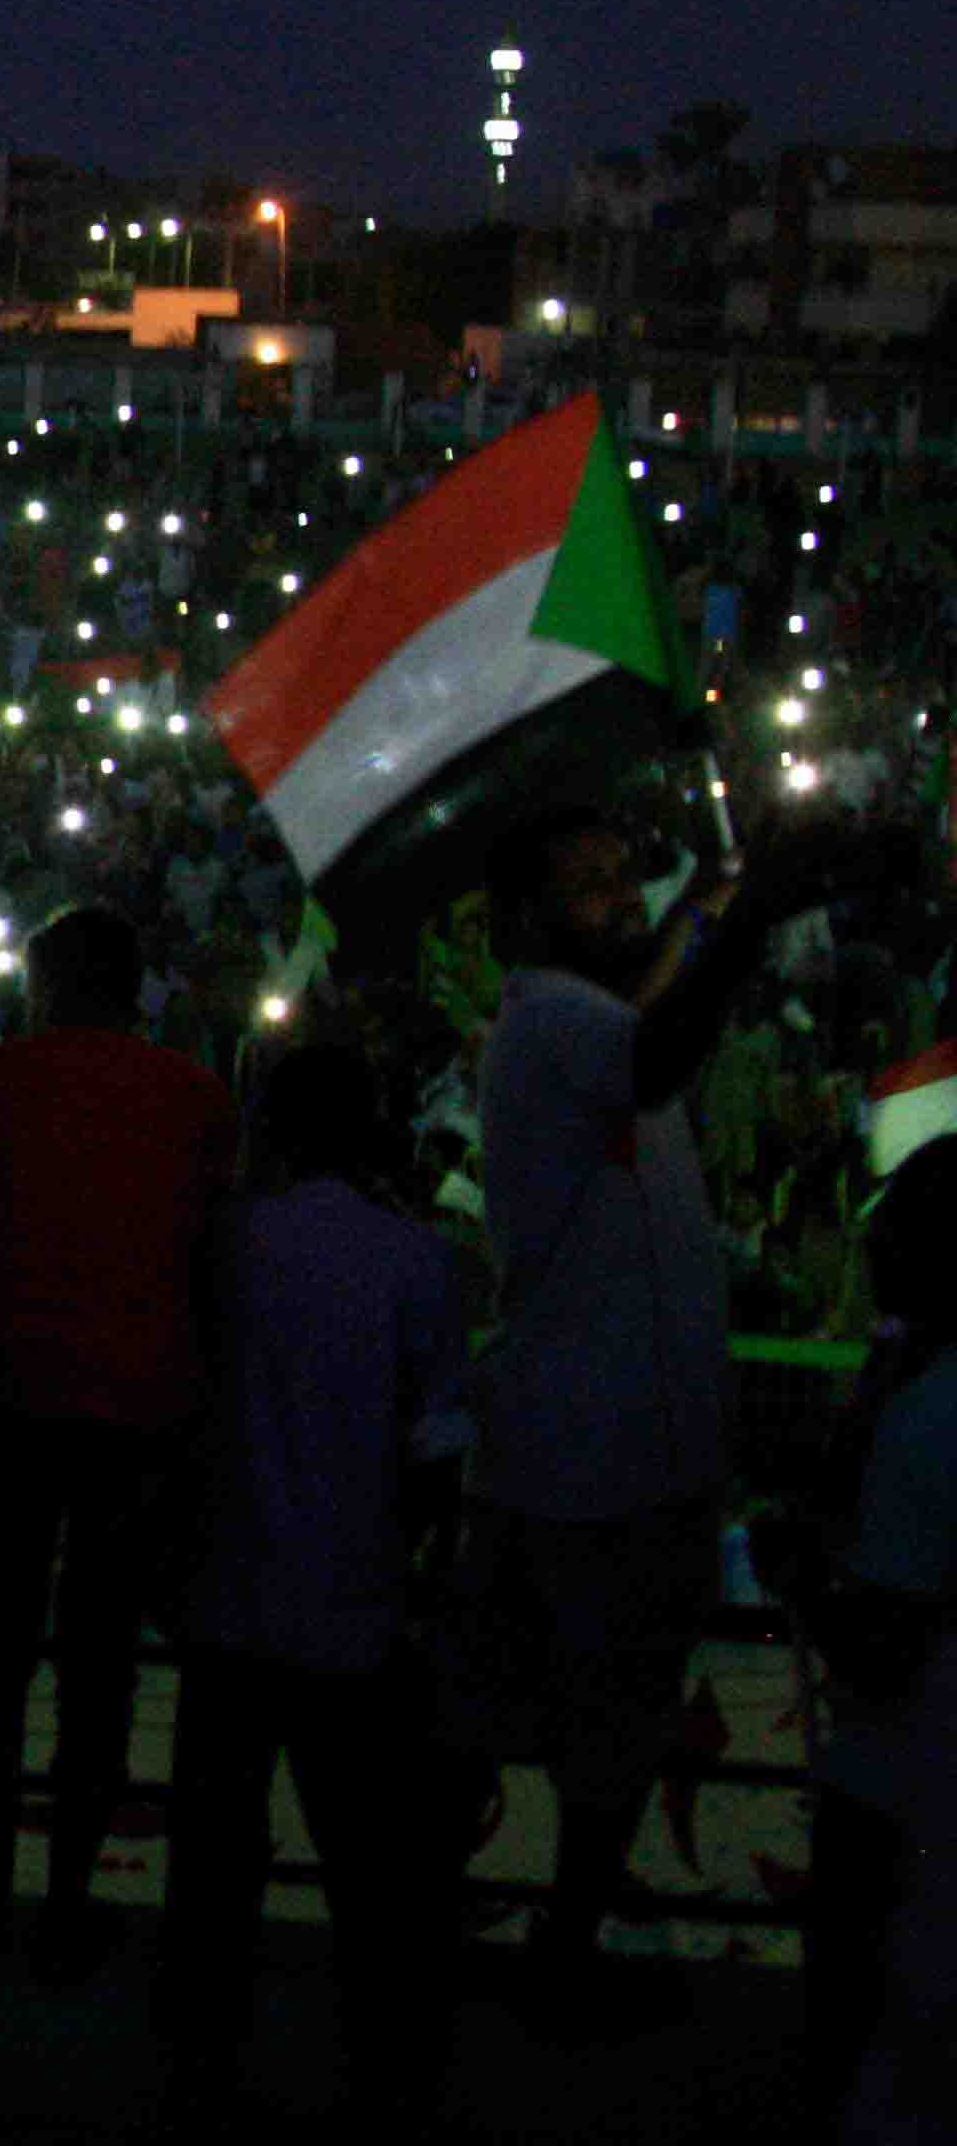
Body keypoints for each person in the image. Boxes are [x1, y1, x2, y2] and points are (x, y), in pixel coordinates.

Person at [462, 802, 843, 2038]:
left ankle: (476, 1941)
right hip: (599, 1457)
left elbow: (657, 987)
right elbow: (663, 1038)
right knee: (594, 1724)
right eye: (589, 886)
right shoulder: (564, 1021)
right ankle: (553, 1961)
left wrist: (718, 896)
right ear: (524, 921)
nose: (621, 902)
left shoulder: (586, 1015)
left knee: (556, 1722)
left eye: (626, 880)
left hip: (601, 1447)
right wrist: (750, 915)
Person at [159, 1043, 469, 2113]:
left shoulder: (222, 1247)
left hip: (227, 1605)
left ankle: (199, 2067)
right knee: (370, 1872)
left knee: (211, 1867)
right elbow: (438, 1459)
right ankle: (383, 2075)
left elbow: (181, 1418)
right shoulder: (414, 1261)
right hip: (353, 1613)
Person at [0, 903, 236, 1975]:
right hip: (141, 1410)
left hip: (14, 1399)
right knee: (101, 1667)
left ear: (43, 982)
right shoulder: (193, 1094)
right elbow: (210, 1265)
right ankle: (69, 1901)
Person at [799, 1135, 957, 2139]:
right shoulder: (914, 1401)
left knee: (867, 2047)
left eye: (890, 1226)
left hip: (900, 1794)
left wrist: (804, 1583)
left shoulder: (925, 1422)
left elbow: (882, 1648)